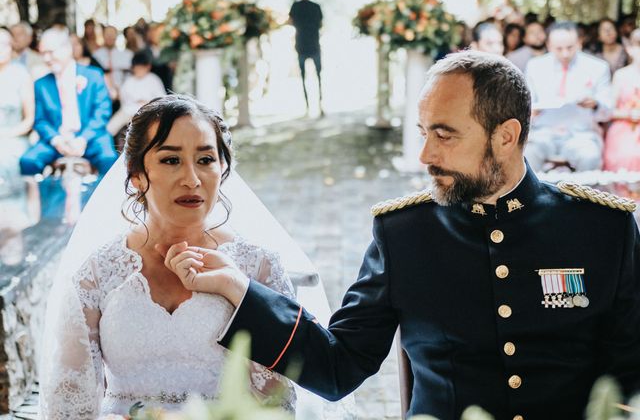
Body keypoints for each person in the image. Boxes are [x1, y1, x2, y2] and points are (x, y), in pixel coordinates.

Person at [162, 51, 640, 420]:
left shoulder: (603, 229)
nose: (425, 154)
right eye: (423, 132)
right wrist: (237, 288)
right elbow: (337, 366)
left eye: (445, 135)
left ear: (507, 136)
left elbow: (629, 383)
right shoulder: (405, 233)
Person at [39, 95, 296, 418]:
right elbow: (69, 406)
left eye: (205, 160)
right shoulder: (97, 274)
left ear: (223, 169)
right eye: (171, 160)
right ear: (136, 175)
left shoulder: (259, 267)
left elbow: (280, 401)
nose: (192, 179)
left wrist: (237, 290)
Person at [19, 27, 118, 176]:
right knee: (28, 161)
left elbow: (102, 112)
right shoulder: (41, 84)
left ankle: (103, 199)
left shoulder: (93, 75)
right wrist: (56, 140)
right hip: (56, 140)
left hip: (91, 138)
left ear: (67, 49)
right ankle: (41, 199)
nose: (46, 59)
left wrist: (83, 139)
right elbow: (40, 121)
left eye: (50, 52)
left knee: (109, 158)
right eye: (43, 53)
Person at [524, 21, 612, 171]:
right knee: (527, 154)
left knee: (589, 156)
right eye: (559, 49)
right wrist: (531, 112)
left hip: (581, 135)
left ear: (579, 43)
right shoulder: (535, 66)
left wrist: (595, 104)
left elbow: (608, 111)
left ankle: (581, 195)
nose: (565, 54)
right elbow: (526, 105)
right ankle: (534, 195)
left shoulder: (597, 67)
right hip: (543, 133)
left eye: (570, 48)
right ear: (549, 45)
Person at [0, 27, 34, 194]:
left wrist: (6, 134)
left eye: (4, 44)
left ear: (10, 47)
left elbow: (29, 120)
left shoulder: (21, 74)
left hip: (14, 136)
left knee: (5, 157)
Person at [107, 50, 165, 143]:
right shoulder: (129, 81)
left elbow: (162, 99)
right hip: (129, 110)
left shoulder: (154, 80)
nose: (139, 70)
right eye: (137, 68)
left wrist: (147, 103)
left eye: (141, 68)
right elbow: (124, 100)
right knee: (111, 127)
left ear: (148, 67)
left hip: (149, 111)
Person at [603, 28, 640, 171]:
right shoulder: (621, 75)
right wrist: (629, 114)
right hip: (624, 129)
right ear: (630, 49)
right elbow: (609, 110)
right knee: (626, 155)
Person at [289, 0, 324, 115]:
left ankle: (307, 107)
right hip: (314, 43)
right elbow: (321, 24)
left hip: (301, 43)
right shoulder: (315, 7)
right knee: (318, 75)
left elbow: (290, 21)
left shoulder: (296, 6)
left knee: (303, 76)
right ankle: (320, 105)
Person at [93, 25, 134, 100]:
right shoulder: (96, 56)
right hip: (103, 94)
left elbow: (131, 76)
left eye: (112, 34)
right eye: (107, 34)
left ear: (116, 36)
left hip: (124, 94)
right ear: (103, 36)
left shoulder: (127, 55)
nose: (110, 37)